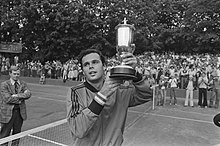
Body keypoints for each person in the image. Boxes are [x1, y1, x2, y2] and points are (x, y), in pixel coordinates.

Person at [66, 49, 152, 146]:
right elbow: (78, 129)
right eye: (86, 64)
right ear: (83, 71)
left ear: (104, 66)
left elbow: (147, 94)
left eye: (95, 62)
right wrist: (102, 94)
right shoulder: (75, 92)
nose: (90, 66)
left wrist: (134, 72)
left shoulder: (120, 90)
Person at [0, 66, 32, 146]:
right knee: (4, 135)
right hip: (7, 114)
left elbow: (28, 94)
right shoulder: (4, 85)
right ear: (10, 74)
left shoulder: (23, 84)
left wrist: (16, 96)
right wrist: (21, 97)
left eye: (18, 74)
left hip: (19, 114)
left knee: (17, 136)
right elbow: (7, 99)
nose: (16, 75)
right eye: (14, 74)